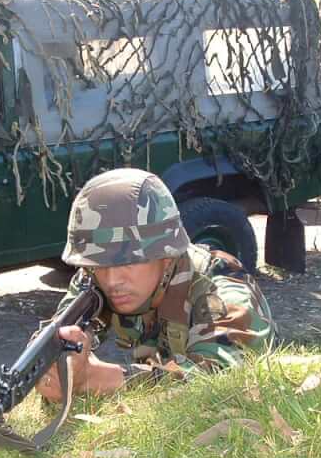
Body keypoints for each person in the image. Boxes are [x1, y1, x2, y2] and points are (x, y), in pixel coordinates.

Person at [34, 168, 276, 402]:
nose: (112, 281)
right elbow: (57, 335)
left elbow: (222, 380)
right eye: (99, 264)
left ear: (167, 256)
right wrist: (58, 366)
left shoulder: (222, 286)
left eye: (128, 262)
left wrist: (99, 378)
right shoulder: (94, 278)